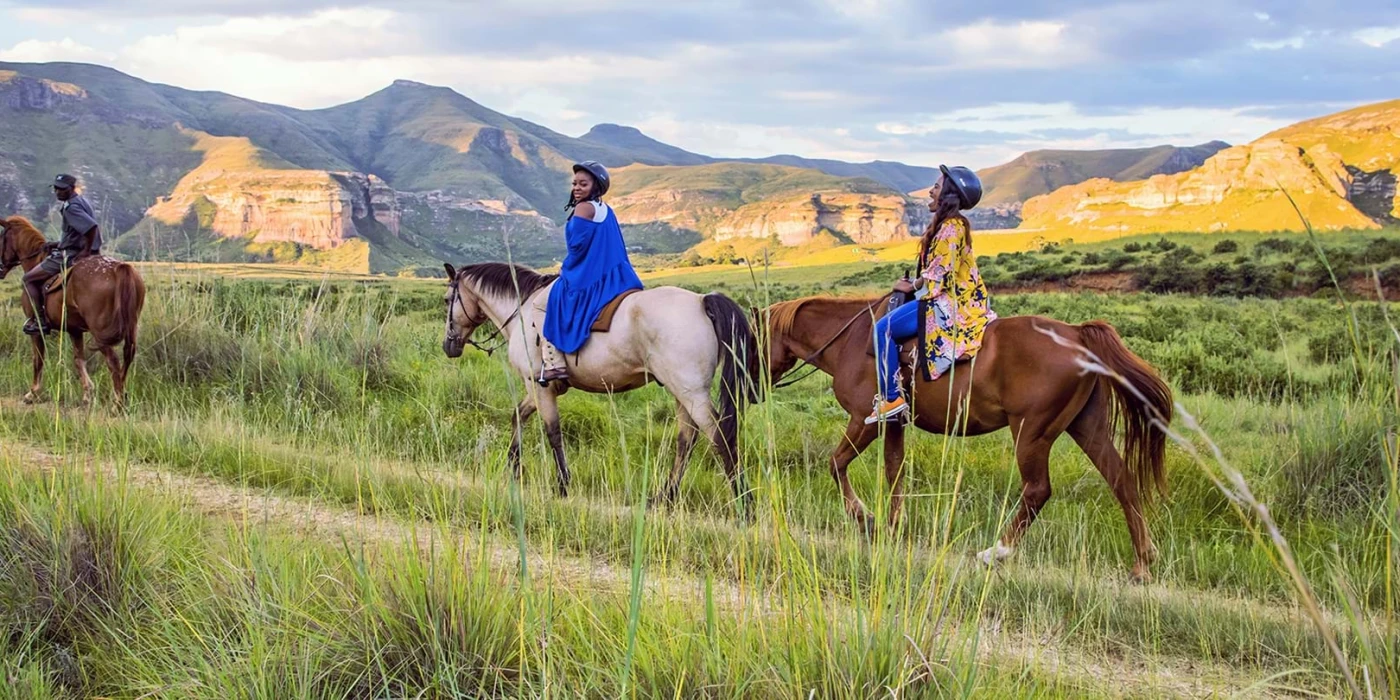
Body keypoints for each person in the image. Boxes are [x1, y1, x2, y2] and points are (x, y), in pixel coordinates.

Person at [867, 164, 995, 424]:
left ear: (947, 194)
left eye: (936, 187)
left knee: (883, 330)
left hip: (948, 303)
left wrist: (911, 286)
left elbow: (940, 274)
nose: (930, 191)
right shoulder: (951, 225)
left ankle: (891, 398)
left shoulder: (951, 228)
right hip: (948, 297)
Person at [536, 161, 644, 383]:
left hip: (588, 277)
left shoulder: (583, 208)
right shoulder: (607, 210)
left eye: (583, 184)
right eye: (574, 183)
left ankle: (554, 364)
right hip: (616, 276)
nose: (576, 187)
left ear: (596, 186)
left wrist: (565, 269)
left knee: (539, 304)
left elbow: (576, 247)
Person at [23, 173, 102, 336]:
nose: (58, 192)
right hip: (78, 248)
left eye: (62, 189)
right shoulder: (82, 201)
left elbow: (91, 227)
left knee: (28, 279)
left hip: (71, 254)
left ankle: (40, 321)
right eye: (56, 189)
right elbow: (78, 232)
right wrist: (58, 243)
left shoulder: (71, 207)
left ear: (72, 188)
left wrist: (85, 252)